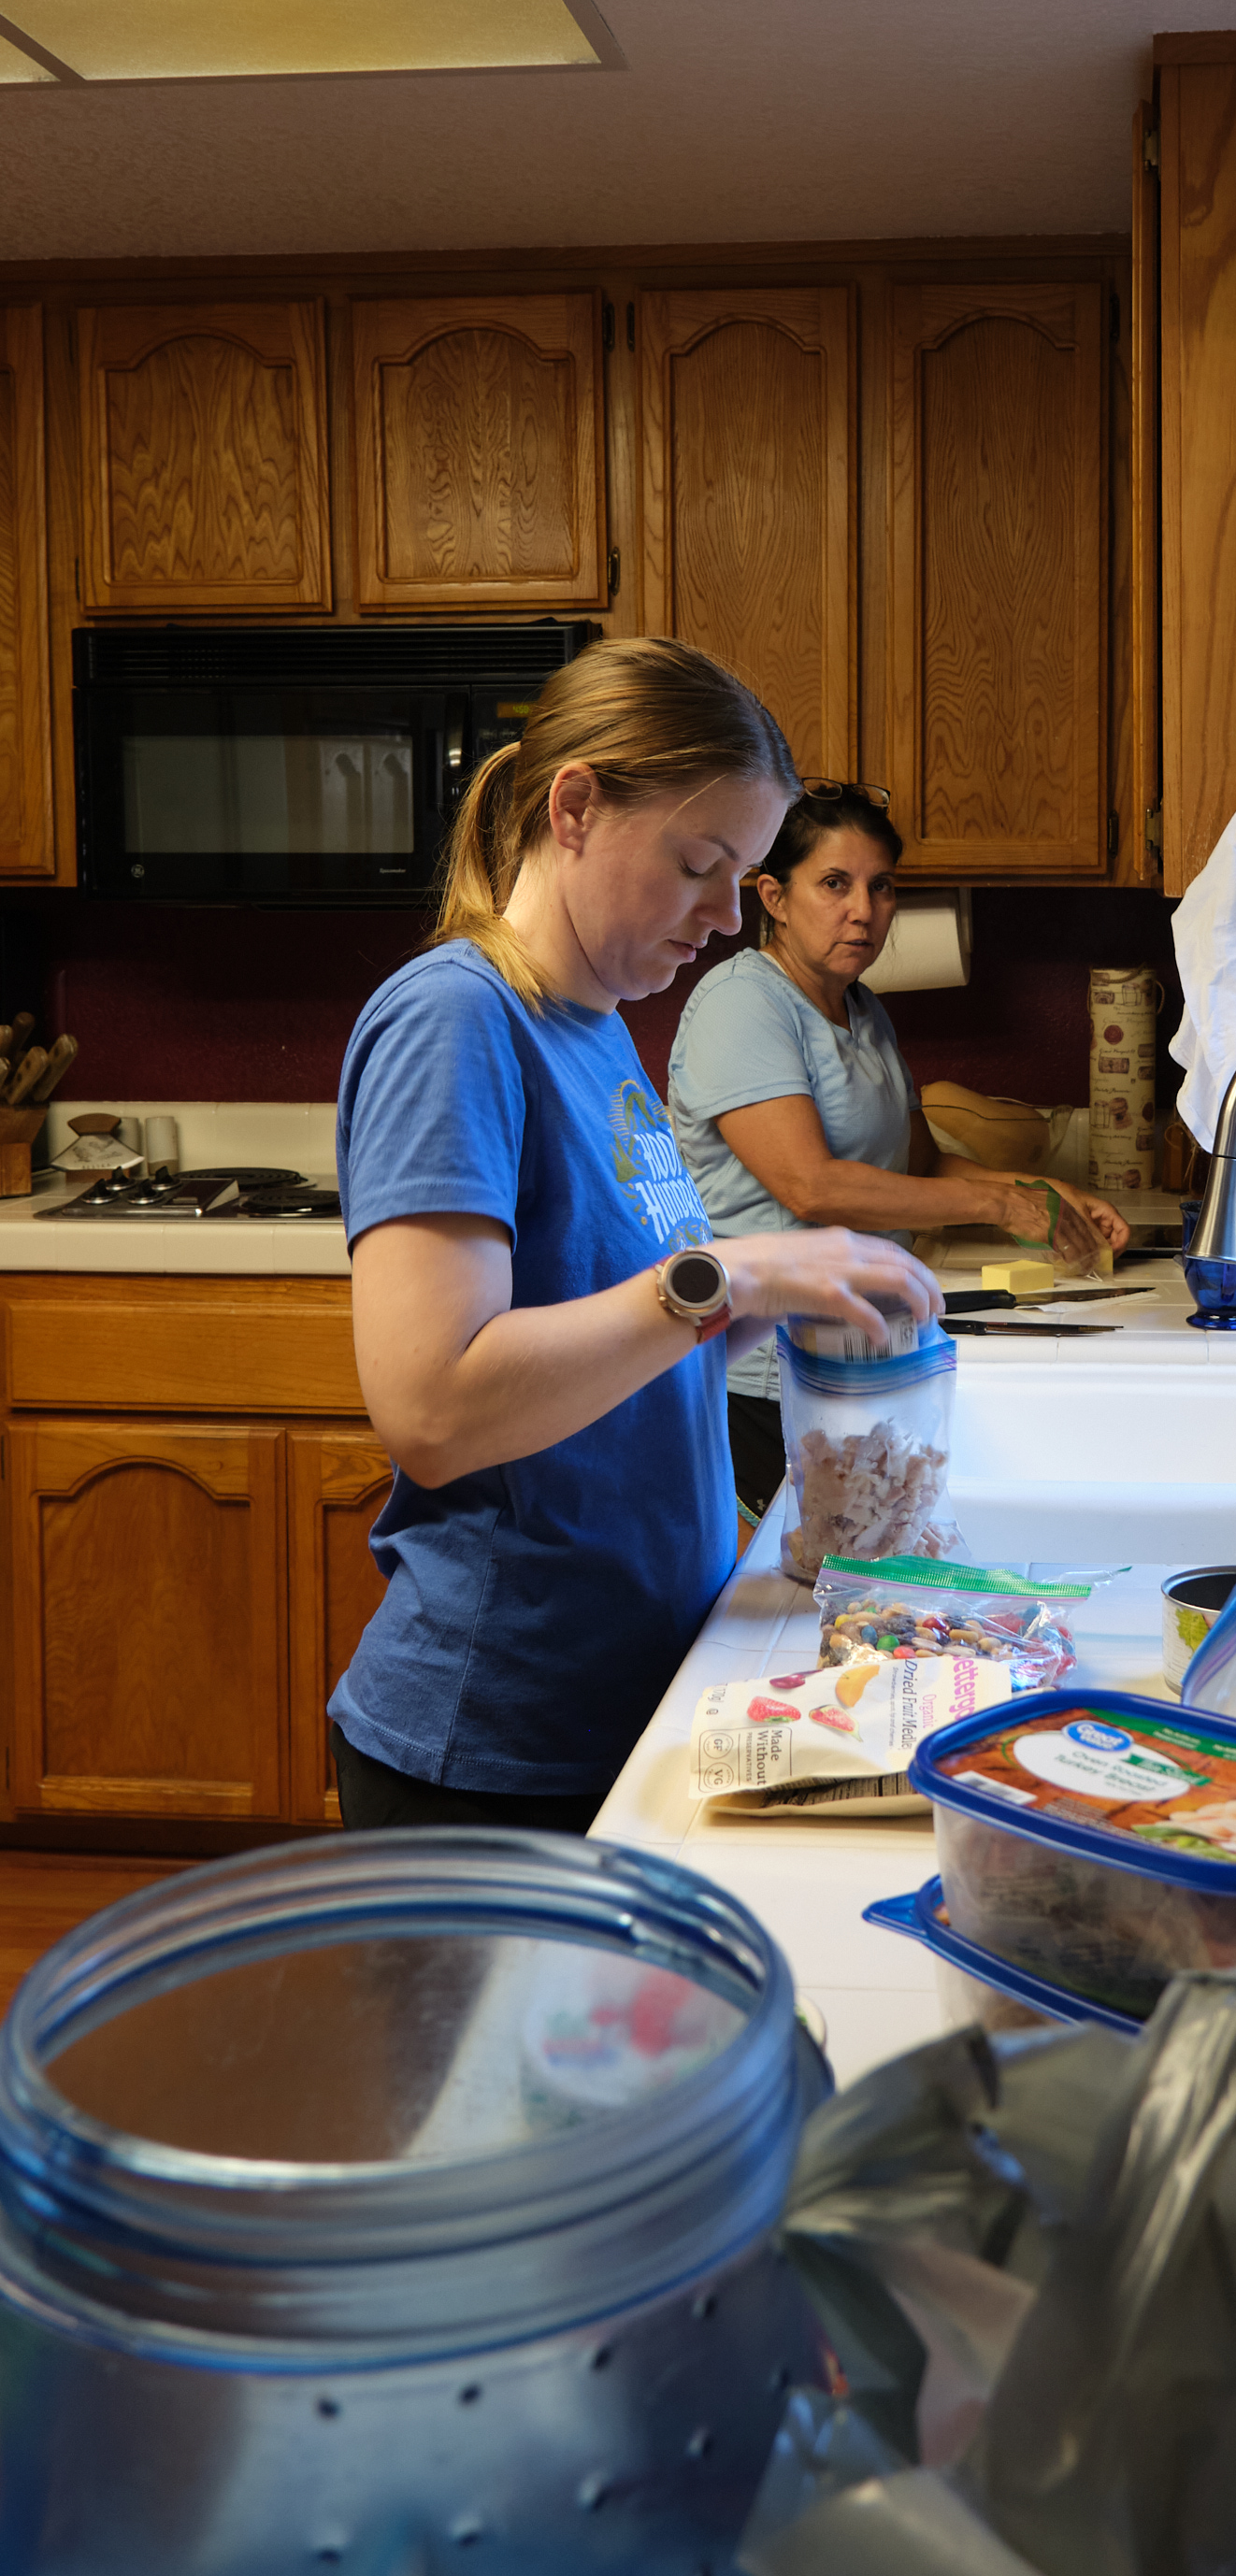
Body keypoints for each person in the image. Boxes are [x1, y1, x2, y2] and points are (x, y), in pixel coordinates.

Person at [329, 641, 942, 1833]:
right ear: (574, 808)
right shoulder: (454, 1018)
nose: (724, 914)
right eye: (699, 865)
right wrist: (725, 1275)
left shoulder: (599, 1025)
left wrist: (772, 1302)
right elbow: (433, 1410)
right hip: (496, 1744)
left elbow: (619, 1361)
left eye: (743, 875)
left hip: (634, 1695)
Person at [668, 782, 1127, 1518]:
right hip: (764, 1374)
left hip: (863, 1353)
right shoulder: (741, 1003)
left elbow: (920, 1165)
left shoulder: (863, 1008)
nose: (863, 909)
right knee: (806, 1572)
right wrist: (996, 1203)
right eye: (834, 883)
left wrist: (1041, 1193)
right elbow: (811, 1186)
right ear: (774, 897)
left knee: (867, 1564)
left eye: (881, 887)